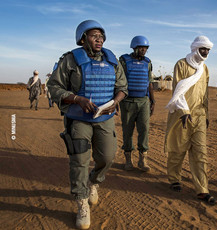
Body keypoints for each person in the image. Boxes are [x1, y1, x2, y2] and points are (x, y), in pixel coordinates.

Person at [47, 20, 127, 229]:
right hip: (79, 118)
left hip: (104, 118)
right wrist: (77, 99)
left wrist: (115, 102)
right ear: (83, 39)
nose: (99, 39)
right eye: (94, 35)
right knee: (80, 161)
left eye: (101, 36)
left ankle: (94, 182)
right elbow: (54, 86)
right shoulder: (70, 60)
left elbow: (122, 87)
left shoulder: (112, 59)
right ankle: (82, 201)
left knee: (107, 157)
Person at [165, 36, 217, 206]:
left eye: (208, 50)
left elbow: (204, 95)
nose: (206, 52)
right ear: (195, 48)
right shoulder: (181, 64)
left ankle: (202, 190)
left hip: (200, 116)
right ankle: (174, 178)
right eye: (203, 49)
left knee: (200, 154)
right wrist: (183, 111)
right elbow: (177, 90)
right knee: (178, 150)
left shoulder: (205, 69)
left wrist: (207, 115)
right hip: (183, 115)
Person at [119, 35, 155, 172]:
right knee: (127, 131)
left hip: (143, 101)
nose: (143, 50)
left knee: (144, 130)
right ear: (134, 47)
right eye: (141, 48)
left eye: (145, 48)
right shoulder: (124, 61)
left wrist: (153, 101)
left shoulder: (148, 62)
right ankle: (128, 159)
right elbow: (118, 80)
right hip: (127, 101)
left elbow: (149, 82)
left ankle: (142, 159)